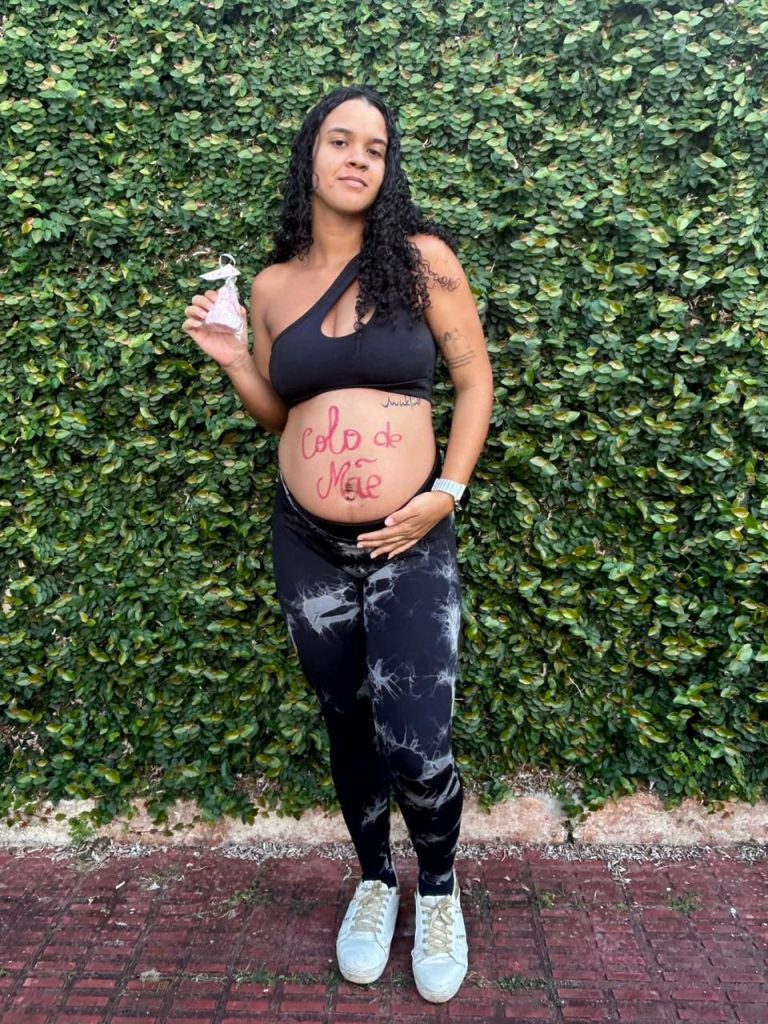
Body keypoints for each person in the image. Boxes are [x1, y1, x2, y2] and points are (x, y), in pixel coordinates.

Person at [182, 84, 493, 1003]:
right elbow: (282, 415)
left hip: (410, 538)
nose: (358, 158)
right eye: (340, 141)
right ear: (309, 155)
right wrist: (236, 360)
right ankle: (374, 881)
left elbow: (474, 380)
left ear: (388, 169)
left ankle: (438, 887)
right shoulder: (272, 286)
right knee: (348, 722)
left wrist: (444, 495)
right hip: (308, 541)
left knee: (417, 737)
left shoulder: (422, 259)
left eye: (376, 148)